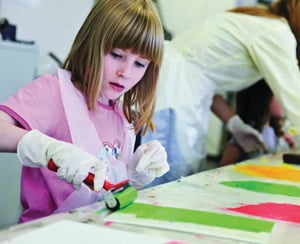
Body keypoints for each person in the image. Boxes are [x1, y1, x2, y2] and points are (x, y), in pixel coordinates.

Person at [0, 0, 169, 223]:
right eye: (117, 55)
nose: (125, 73)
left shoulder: (122, 112)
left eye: (140, 64)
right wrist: (45, 148)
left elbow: (102, 191)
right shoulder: (55, 92)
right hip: (45, 234)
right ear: (91, 44)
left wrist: (131, 176)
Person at [141, 0, 300, 186]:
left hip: (176, 90)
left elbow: (205, 79)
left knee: (170, 173)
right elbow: (295, 100)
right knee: (164, 175)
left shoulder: (259, 21)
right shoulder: (276, 33)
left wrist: (234, 124)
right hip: (173, 95)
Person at [220, 79, 295, 166]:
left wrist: (285, 146)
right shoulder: (247, 134)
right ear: (263, 97)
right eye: (278, 94)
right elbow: (223, 169)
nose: (283, 100)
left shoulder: (275, 132)